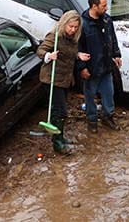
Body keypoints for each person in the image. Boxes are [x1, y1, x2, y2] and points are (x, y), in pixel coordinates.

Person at [37, 10, 90, 154]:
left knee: (61, 110)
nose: (72, 30)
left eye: (75, 27)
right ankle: (57, 142)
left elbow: (68, 53)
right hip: (52, 79)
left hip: (65, 79)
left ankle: (60, 136)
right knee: (59, 111)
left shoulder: (73, 38)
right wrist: (49, 55)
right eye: (70, 26)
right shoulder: (54, 36)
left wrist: (78, 55)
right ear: (64, 24)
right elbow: (40, 50)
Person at [78, 0, 122, 133]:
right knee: (90, 96)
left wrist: (116, 54)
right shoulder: (83, 25)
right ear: (94, 6)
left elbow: (112, 38)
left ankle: (108, 116)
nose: (106, 8)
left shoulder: (107, 20)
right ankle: (92, 121)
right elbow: (78, 48)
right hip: (91, 69)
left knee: (109, 93)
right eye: (103, 6)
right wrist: (82, 68)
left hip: (106, 66)